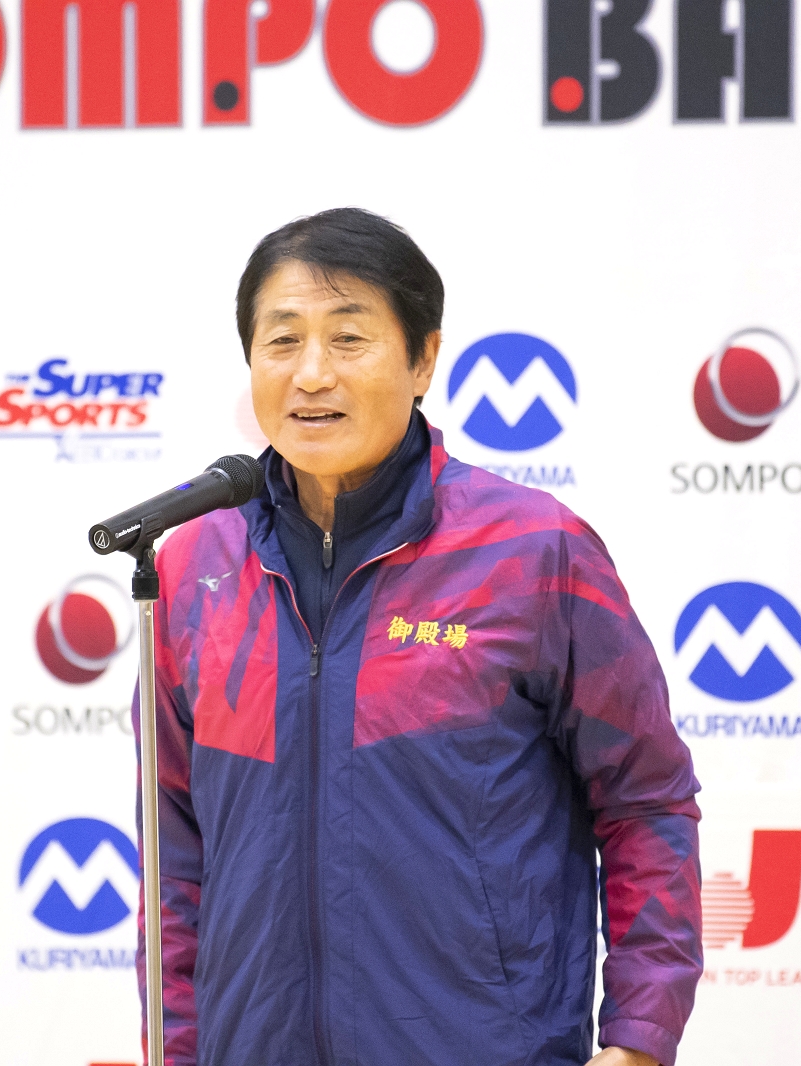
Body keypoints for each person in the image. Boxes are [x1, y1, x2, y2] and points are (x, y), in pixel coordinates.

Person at [136, 208, 702, 1066]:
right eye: (282, 341)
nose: (312, 373)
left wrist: (638, 1041)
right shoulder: (192, 567)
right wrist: (176, 1051)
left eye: (349, 337)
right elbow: (174, 854)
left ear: (423, 360)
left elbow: (646, 802)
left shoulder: (531, 552)